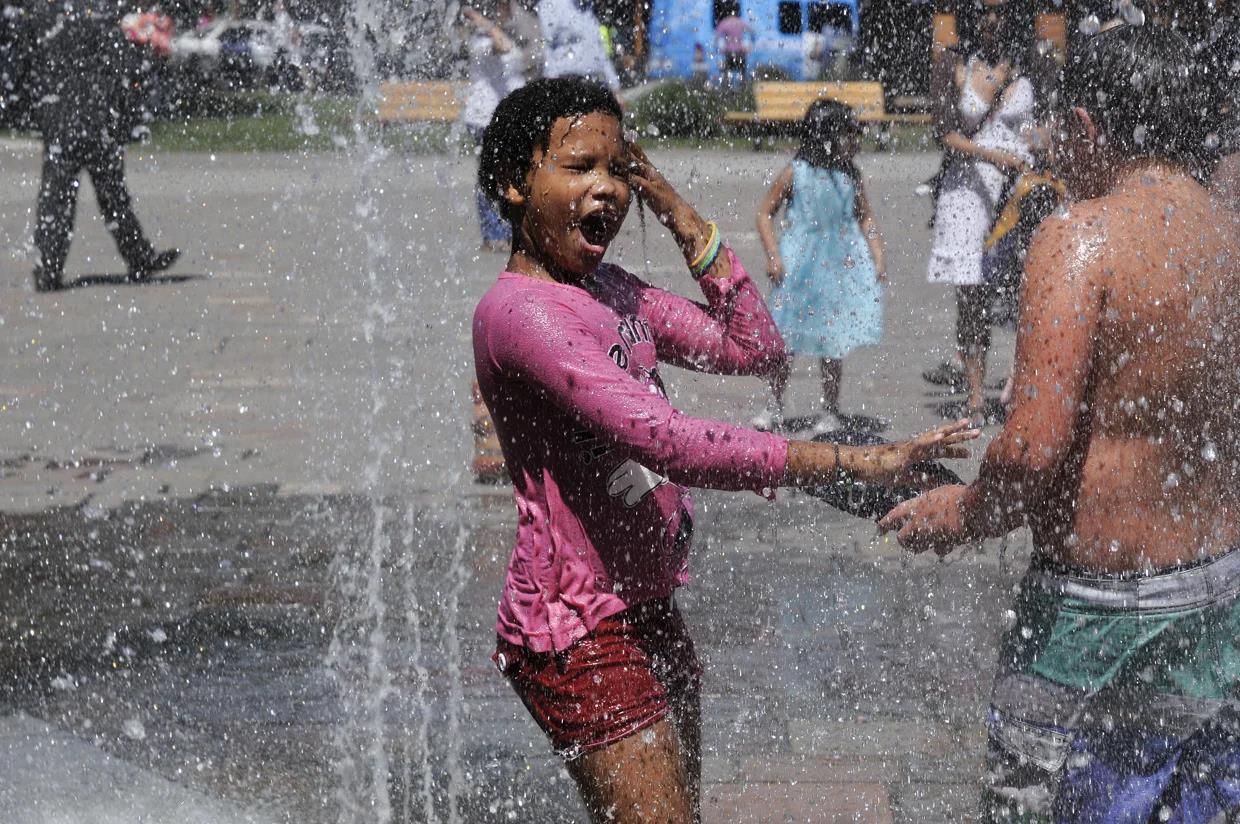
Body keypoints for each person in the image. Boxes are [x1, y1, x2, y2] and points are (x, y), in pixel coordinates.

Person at [474, 77, 978, 824]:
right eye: (580, 167)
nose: (607, 189)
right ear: (514, 184)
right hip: (576, 628)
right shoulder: (520, 316)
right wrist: (851, 463)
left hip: (646, 609)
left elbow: (755, 347)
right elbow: (668, 442)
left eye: (619, 170)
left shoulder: (613, 290)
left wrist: (676, 208)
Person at [880, 23, 1240, 822]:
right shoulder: (1228, 235)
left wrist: (964, 512)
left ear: (1085, 127)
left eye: (1053, 128)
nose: (1044, 147)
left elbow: (1033, 450)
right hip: (1219, 604)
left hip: (1095, 624)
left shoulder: (1082, 238)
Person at [924, 0, 1035, 423]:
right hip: (967, 194)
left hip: (1019, 194)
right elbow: (946, 135)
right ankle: (974, 395)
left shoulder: (1030, 62)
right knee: (972, 297)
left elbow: (1040, 123)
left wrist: (1037, 146)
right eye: (986, 11)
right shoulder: (954, 63)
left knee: (1024, 289)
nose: (994, 19)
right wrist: (996, 156)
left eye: (1002, 10)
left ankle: (1018, 385)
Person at [753, 100, 886, 434]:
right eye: (848, 134)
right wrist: (773, 254)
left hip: (837, 264)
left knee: (832, 339)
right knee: (784, 340)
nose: (855, 140)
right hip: (798, 264)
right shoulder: (795, 172)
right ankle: (774, 406)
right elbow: (764, 213)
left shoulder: (850, 174)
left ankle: (830, 409)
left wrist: (877, 252)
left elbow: (865, 215)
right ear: (826, 135)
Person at [30, 5, 178, 292]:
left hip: (63, 125)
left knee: (56, 201)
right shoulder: (108, 30)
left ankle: (48, 268)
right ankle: (139, 257)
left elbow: (37, 75)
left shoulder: (54, 28)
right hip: (98, 126)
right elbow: (129, 74)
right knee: (114, 200)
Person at [459, 2, 528, 254]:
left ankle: (509, 231)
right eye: (502, 5)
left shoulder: (506, 32)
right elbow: (503, 47)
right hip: (485, 117)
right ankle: (494, 233)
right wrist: (482, 22)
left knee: (510, 174)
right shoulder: (481, 40)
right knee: (492, 176)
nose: (508, 9)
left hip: (508, 117)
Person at [537, 0, 619, 91]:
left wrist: (614, 84)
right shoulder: (552, 3)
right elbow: (544, 45)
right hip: (566, 82)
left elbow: (599, 50)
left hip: (594, 81)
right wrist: (550, 84)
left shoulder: (587, 7)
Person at [713, 11, 752, 88]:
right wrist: (750, 46)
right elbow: (752, 32)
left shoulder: (725, 23)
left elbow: (716, 37)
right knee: (742, 74)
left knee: (727, 75)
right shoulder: (740, 22)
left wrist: (720, 49)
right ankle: (742, 91)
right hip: (740, 52)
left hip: (729, 53)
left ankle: (728, 92)